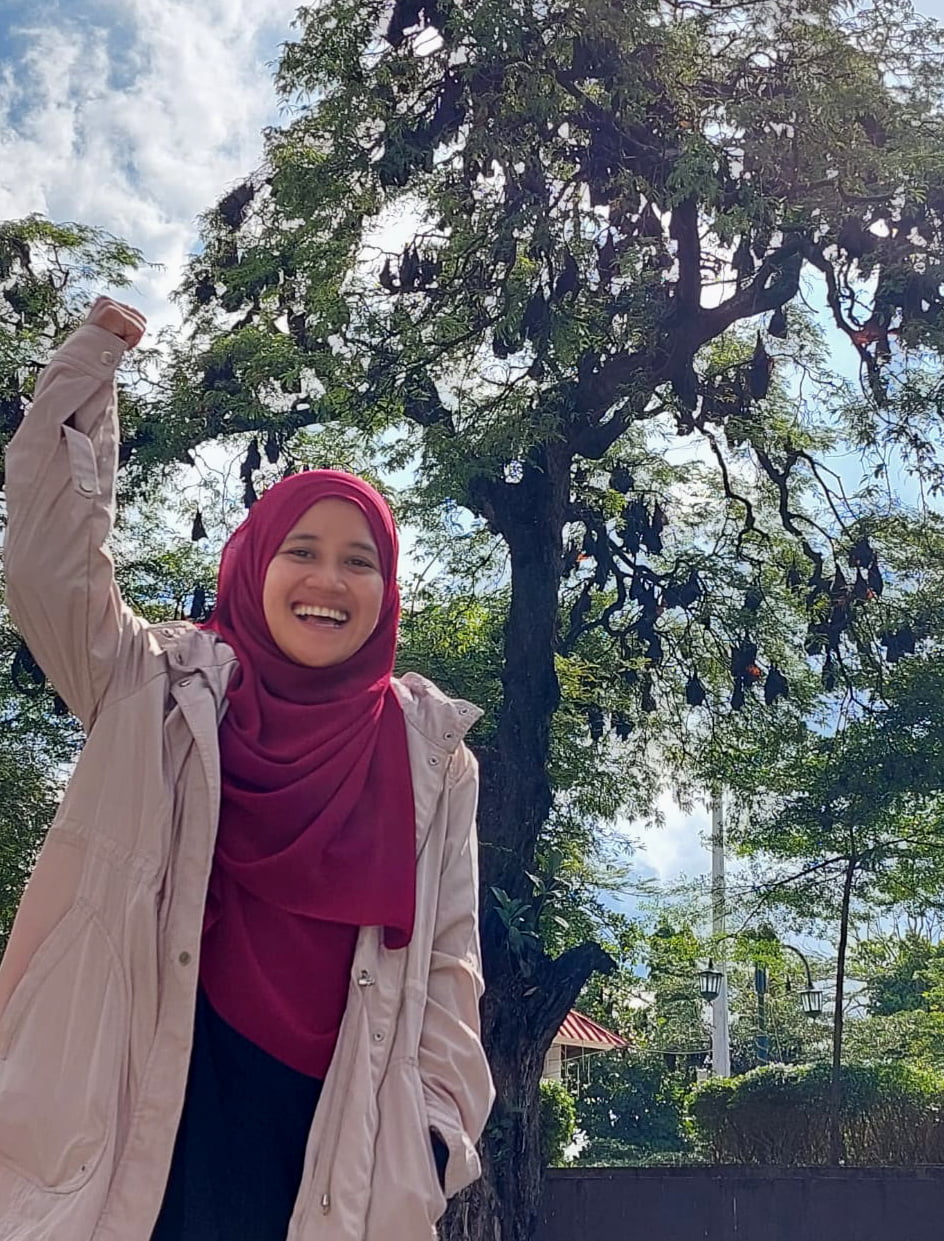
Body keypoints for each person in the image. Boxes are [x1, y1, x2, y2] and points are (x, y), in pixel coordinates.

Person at [0, 297, 494, 1241]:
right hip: (147, 1103)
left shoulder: (431, 754)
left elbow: (449, 965)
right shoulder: (159, 688)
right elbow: (49, 573)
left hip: (336, 1133)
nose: (328, 581)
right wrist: (85, 375)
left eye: (359, 561)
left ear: (386, 591)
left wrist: (434, 1139)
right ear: (255, 564)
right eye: (301, 550)